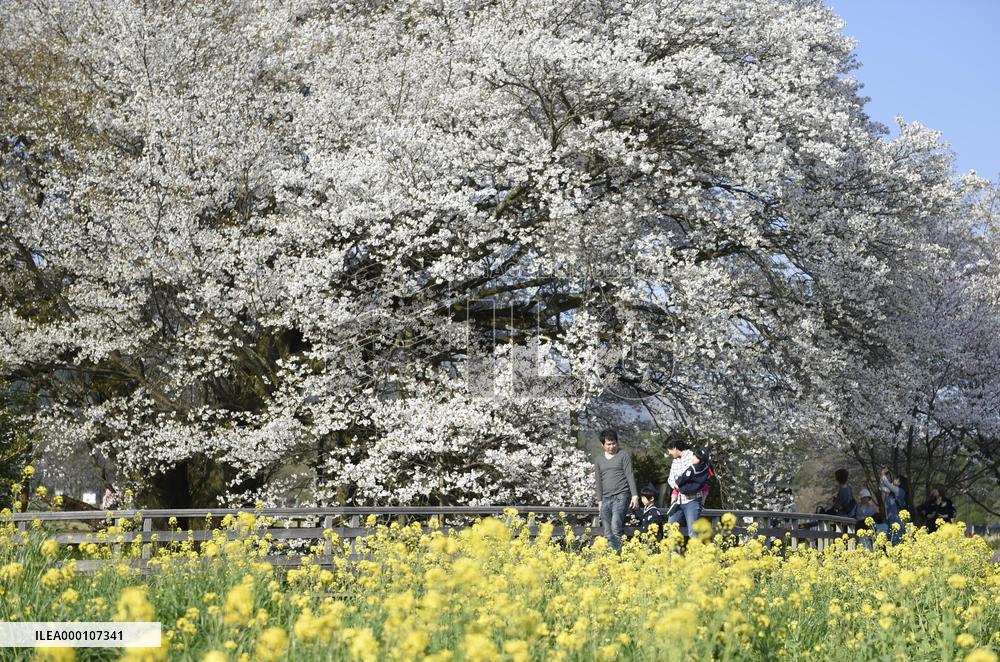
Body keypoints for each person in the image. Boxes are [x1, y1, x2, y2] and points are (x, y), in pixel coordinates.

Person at [594, 429, 639, 552]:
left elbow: (630, 475)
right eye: (608, 444)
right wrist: (599, 500)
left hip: (621, 496)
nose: (611, 446)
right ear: (602, 445)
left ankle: (618, 557)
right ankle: (612, 557)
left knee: (615, 527)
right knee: (608, 531)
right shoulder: (599, 459)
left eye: (614, 443)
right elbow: (598, 480)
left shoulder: (623, 455)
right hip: (605, 498)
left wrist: (635, 496)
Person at [670, 446, 711, 538]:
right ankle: (671, 551)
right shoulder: (675, 461)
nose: (693, 458)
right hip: (678, 500)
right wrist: (674, 495)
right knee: (670, 529)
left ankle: (694, 551)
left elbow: (704, 486)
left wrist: (703, 501)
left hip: (693, 500)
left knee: (693, 533)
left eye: (696, 457)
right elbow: (671, 479)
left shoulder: (695, 468)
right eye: (694, 456)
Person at [879, 468, 908, 544]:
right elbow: (881, 488)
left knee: (897, 540)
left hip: (898, 520)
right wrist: (882, 477)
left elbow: (887, 484)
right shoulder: (892, 492)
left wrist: (883, 475)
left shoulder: (900, 491)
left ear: (900, 482)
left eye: (896, 479)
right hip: (891, 518)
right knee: (890, 540)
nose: (894, 480)